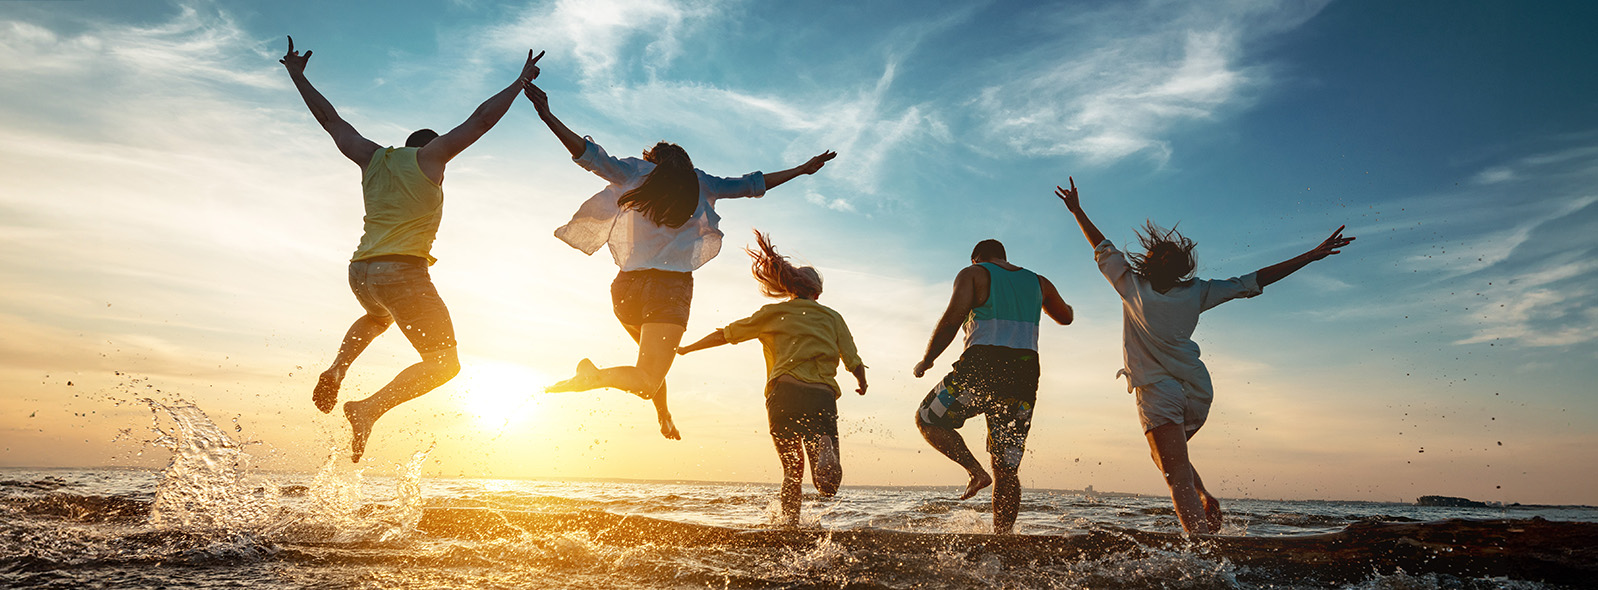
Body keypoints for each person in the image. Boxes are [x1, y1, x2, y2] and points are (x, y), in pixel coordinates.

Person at [523, 80, 836, 440]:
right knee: (646, 376)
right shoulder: (703, 183)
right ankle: (592, 377)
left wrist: (547, 115)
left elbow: (587, 154)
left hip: (625, 290)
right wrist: (800, 169)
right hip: (668, 290)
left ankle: (663, 416)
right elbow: (755, 183)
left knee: (650, 368)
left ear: (652, 159)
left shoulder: (635, 173)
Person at [283, 36, 544, 462]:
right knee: (445, 365)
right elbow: (479, 121)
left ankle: (337, 369)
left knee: (376, 316)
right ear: (429, 148)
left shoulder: (370, 157)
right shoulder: (431, 158)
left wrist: (297, 76)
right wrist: (519, 82)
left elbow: (330, 120)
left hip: (361, 272)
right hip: (402, 271)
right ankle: (366, 410)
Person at [1055, 177, 1354, 535]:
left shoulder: (1130, 284)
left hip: (1158, 390)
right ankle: (1204, 497)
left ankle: (1200, 549)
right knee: (1166, 458)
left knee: (1173, 471)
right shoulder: (1197, 291)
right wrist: (1310, 255)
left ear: (1148, 262)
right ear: (1180, 269)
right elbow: (1253, 281)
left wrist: (1076, 210)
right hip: (1197, 390)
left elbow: (1101, 245)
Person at [676, 230, 867, 526]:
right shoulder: (831, 317)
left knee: (792, 472)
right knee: (827, 485)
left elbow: (726, 334)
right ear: (817, 294)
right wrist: (861, 381)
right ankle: (825, 445)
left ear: (787, 287)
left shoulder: (772, 314)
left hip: (783, 395)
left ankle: (788, 528)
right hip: (820, 395)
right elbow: (852, 358)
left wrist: (688, 348)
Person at [911, 238, 1074, 534]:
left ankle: (975, 472)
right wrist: (1055, 304)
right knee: (1007, 466)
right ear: (1004, 257)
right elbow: (1066, 317)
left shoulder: (973, 273)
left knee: (928, 418)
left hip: (983, 365)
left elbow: (952, 319)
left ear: (977, 258)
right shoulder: (1039, 282)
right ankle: (1003, 538)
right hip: (1024, 374)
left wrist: (927, 359)